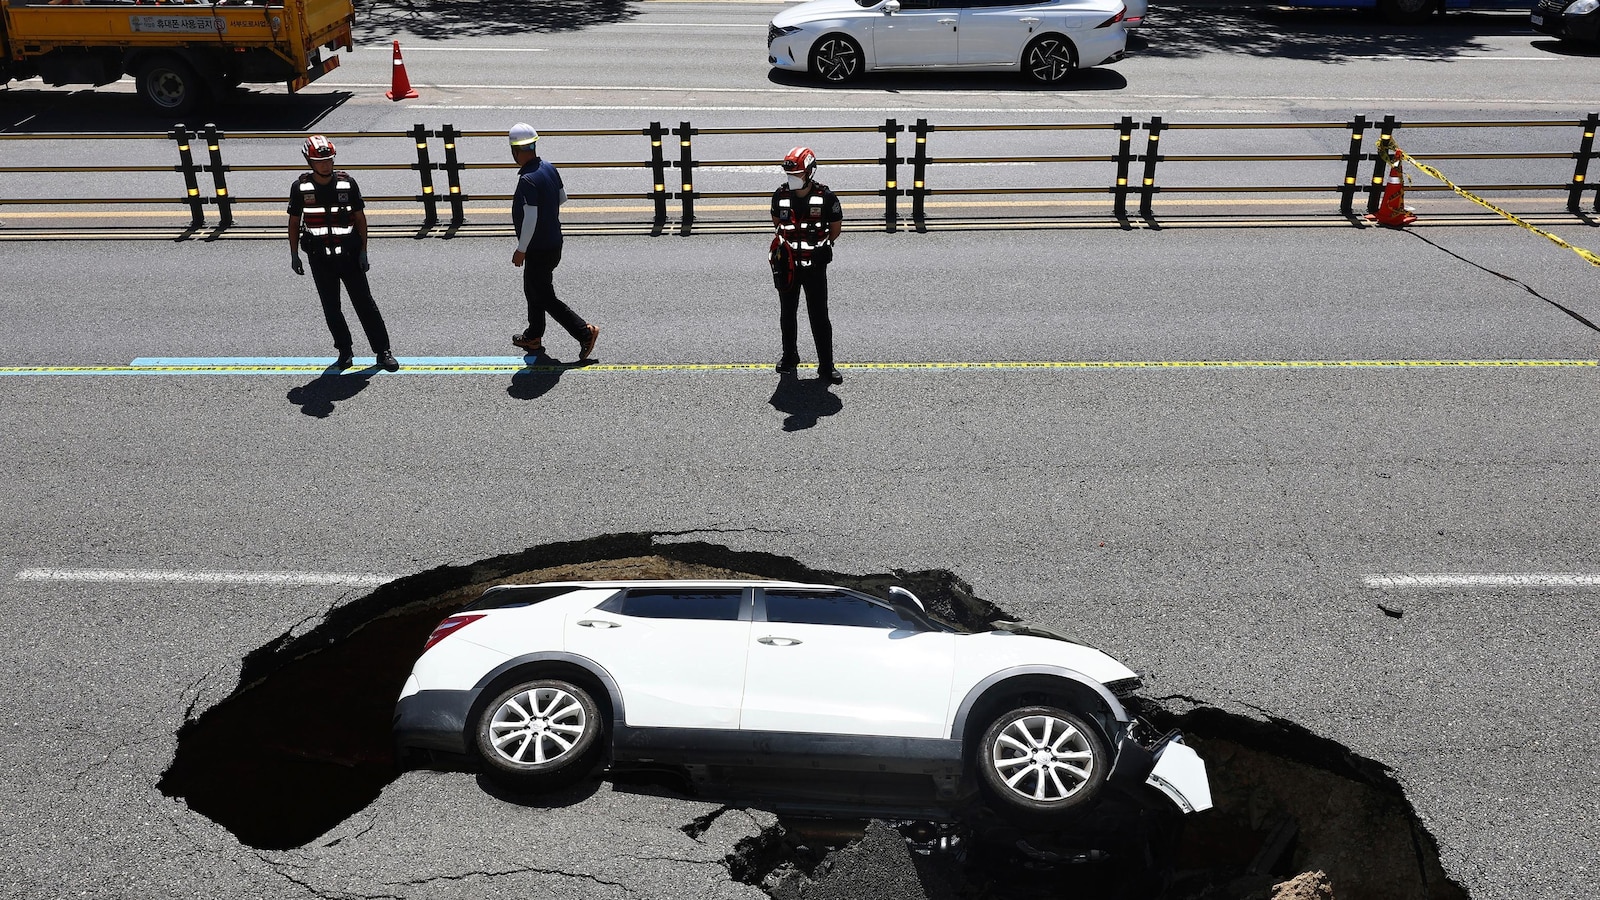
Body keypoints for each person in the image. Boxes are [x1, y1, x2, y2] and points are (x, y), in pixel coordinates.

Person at [287, 135, 398, 372]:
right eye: (320, 160)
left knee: (365, 303)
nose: (326, 164)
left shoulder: (348, 184)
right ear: (309, 161)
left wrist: (364, 251)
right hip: (319, 257)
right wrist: (294, 253)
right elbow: (294, 221)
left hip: (349, 254)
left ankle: (383, 351)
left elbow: (360, 218)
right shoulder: (300, 188)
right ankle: (345, 351)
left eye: (329, 159)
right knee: (331, 306)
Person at [508, 123, 600, 361]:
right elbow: (562, 198)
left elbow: (530, 217)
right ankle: (533, 335)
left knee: (544, 295)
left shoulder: (527, 179)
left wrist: (521, 249)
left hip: (538, 248)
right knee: (533, 289)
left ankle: (584, 332)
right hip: (553, 242)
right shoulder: (549, 168)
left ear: (515, 151)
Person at [770, 146, 844, 385]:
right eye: (790, 175)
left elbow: (835, 230)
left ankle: (826, 365)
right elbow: (777, 225)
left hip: (815, 267)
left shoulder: (826, 198)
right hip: (788, 266)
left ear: (810, 173)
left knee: (819, 316)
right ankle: (789, 356)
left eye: (798, 175)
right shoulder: (779, 196)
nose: (792, 180)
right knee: (787, 313)